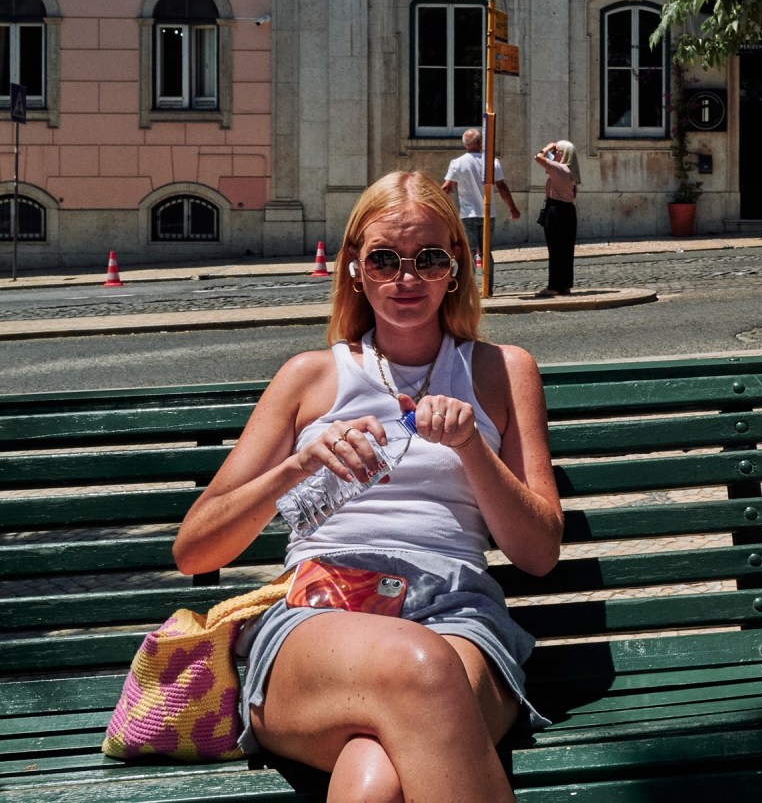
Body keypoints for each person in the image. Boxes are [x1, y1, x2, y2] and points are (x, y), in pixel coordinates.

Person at [172, 171, 563, 802]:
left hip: (456, 615)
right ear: (355, 267)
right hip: (321, 617)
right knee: (420, 665)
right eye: (384, 258)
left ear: (456, 266)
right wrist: (296, 469)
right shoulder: (309, 377)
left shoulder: (503, 370)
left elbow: (539, 553)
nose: (406, 278)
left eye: (428, 258)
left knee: (373, 780)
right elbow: (194, 550)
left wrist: (471, 448)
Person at [442, 128, 521, 287]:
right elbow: (502, 187)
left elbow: (446, 189)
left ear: (465, 145)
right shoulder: (492, 162)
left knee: (468, 254)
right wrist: (512, 208)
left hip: (467, 215)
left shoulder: (457, 163)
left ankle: (468, 289)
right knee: (486, 253)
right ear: (480, 143)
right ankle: (488, 287)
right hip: (488, 214)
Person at [534, 140, 580, 296]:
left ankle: (554, 286)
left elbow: (538, 158)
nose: (554, 154)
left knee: (555, 250)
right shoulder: (571, 171)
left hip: (556, 210)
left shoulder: (559, 169)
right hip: (568, 210)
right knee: (566, 250)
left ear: (563, 154)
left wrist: (547, 148)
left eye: (557, 151)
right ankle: (565, 285)